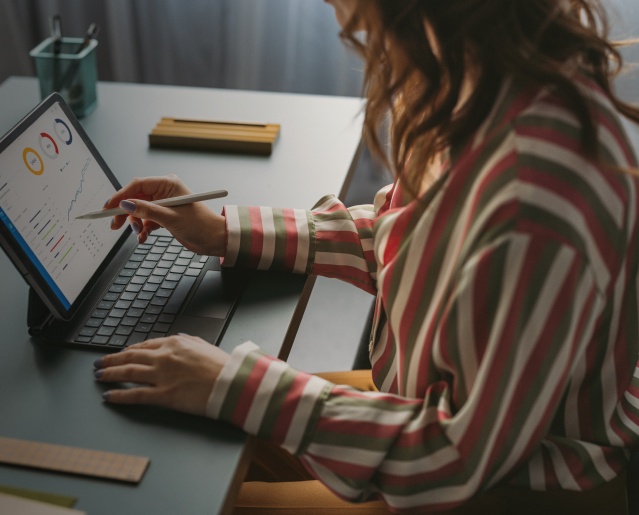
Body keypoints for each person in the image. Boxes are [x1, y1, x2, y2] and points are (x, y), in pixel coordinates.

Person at [93, 0, 639, 512]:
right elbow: (398, 237)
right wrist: (223, 233)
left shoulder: (531, 194)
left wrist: (231, 385)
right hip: (433, 417)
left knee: (181, 497)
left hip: (510, 487)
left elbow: (455, 456)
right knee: (181, 433)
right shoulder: (474, 76)